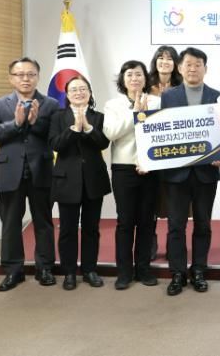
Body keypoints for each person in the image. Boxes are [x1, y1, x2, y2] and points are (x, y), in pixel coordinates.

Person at [0, 57, 59, 291]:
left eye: (30, 74)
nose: (25, 79)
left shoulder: (51, 104)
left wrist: (35, 123)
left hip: (41, 171)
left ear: (37, 77)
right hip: (10, 172)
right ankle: (13, 271)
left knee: (43, 222)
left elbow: (55, 137)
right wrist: (15, 124)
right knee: (10, 224)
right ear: (11, 78)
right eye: (20, 74)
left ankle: (45, 268)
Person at [161, 47, 220, 296]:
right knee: (175, 226)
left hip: (206, 173)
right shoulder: (169, 96)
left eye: (198, 64)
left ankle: (199, 270)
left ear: (205, 69)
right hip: (176, 174)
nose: (193, 68)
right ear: (180, 68)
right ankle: (177, 273)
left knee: (203, 225)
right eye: (188, 64)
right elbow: (163, 131)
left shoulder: (218, 97)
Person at [49, 76, 111, 290]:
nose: (79, 92)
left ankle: (89, 270)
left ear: (90, 93)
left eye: (83, 89)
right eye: (74, 89)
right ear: (67, 95)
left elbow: (103, 142)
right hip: (67, 181)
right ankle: (69, 272)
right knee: (67, 229)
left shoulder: (99, 117)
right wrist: (74, 129)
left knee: (91, 228)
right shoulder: (58, 117)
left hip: (94, 180)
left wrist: (88, 128)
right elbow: (55, 144)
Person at [103, 60, 161, 290]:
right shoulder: (113, 105)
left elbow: (161, 134)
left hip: (151, 168)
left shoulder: (157, 102)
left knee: (147, 221)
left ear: (146, 78)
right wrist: (135, 113)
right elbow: (111, 133)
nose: (134, 78)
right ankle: (124, 272)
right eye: (129, 74)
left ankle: (144, 269)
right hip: (123, 168)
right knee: (125, 222)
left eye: (139, 74)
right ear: (122, 79)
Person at [146, 45, 182, 261]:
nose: (165, 62)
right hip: (150, 151)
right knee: (150, 201)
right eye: (161, 57)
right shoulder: (145, 84)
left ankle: (173, 245)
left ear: (176, 64)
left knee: (174, 203)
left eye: (169, 59)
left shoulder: (182, 86)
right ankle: (149, 244)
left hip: (175, 153)